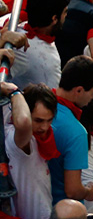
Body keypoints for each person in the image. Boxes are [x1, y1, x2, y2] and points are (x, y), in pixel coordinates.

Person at [51, 56, 93, 204]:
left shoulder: (40, 105)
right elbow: (73, 190)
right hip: (61, 208)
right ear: (79, 90)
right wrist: (89, 192)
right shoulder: (77, 132)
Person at [6, 81, 56, 219]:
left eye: (49, 120)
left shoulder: (38, 136)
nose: (44, 127)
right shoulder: (16, 138)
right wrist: (14, 93)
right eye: (38, 120)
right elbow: (22, 122)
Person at [15, 0, 70, 89]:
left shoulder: (17, 27)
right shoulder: (22, 48)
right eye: (65, 12)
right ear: (54, 19)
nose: (66, 15)